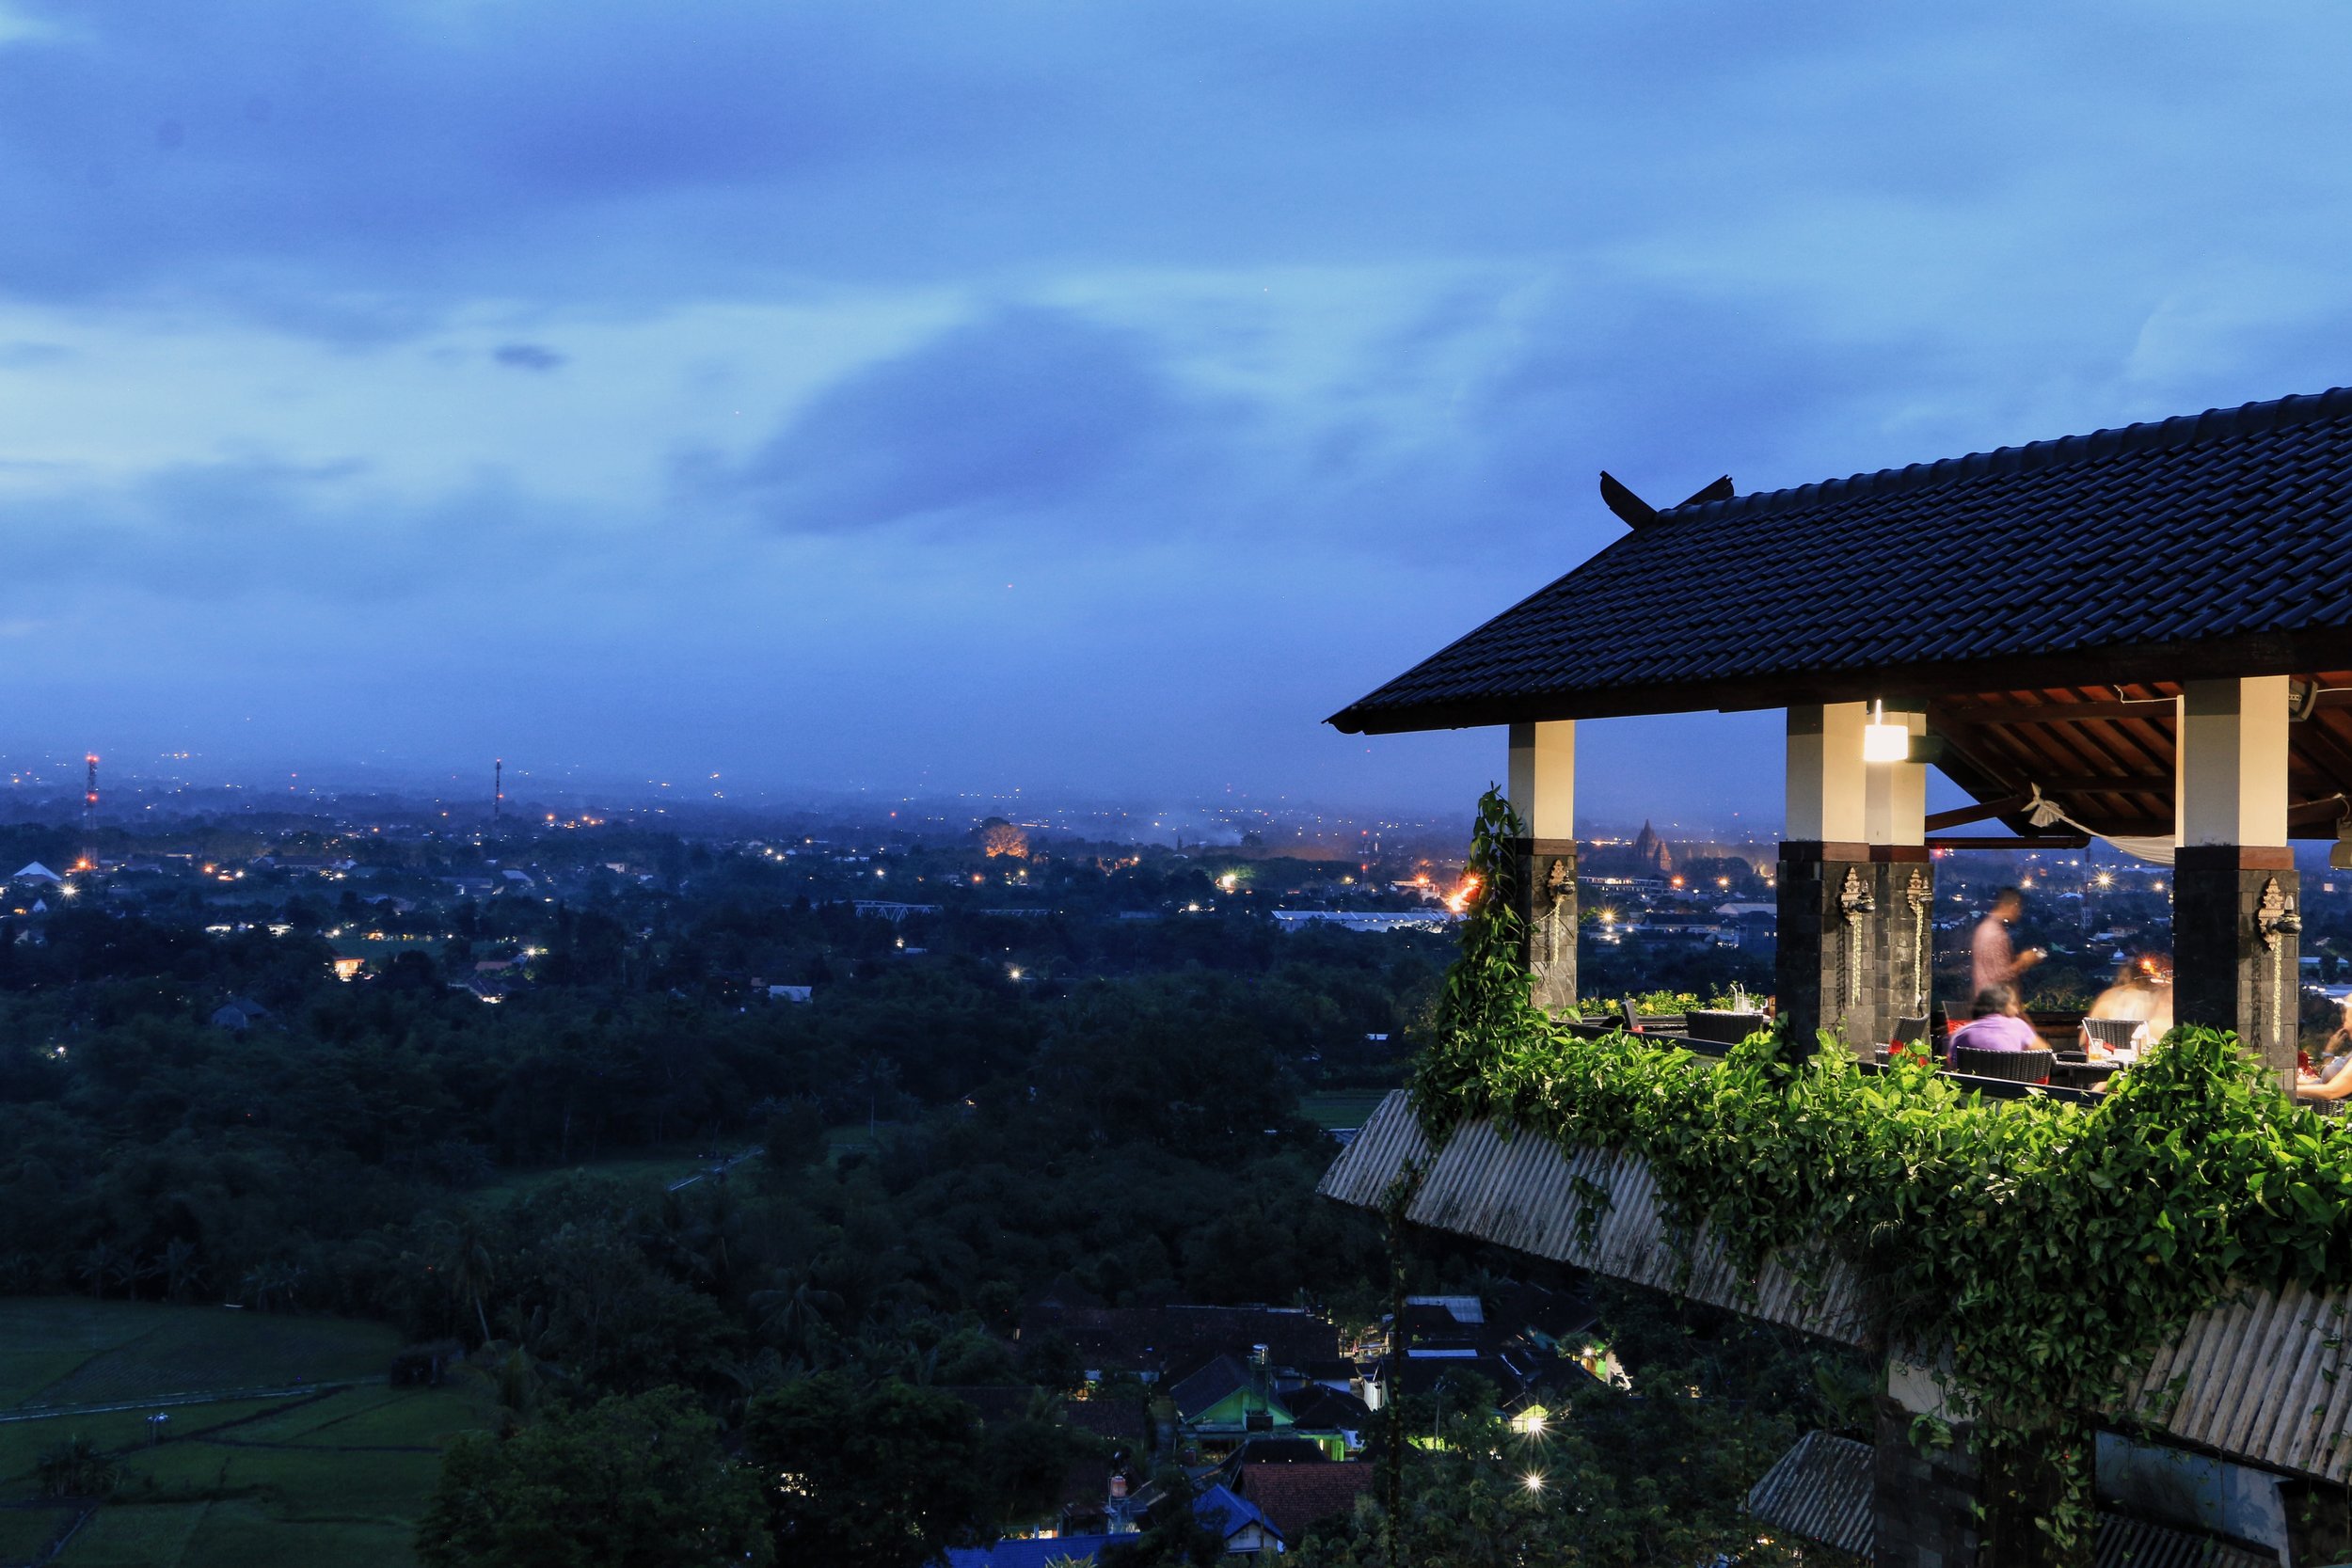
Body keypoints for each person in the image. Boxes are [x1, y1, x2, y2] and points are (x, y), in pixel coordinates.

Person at [1971, 887, 2045, 1000]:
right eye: (2019, 907)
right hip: (1994, 1005)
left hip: (1988, 1004)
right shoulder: (1995, 934)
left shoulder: (1986, 928)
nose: (2020, 912)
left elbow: (1995, 966)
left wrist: (2018, 959)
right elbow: (1999, 976)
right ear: (2013, 905)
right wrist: (2024, 961)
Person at [1949, 984, 2048, 1055]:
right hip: (2011, 1083)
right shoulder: (2018, 1026)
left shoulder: (1961, 1033)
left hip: (1972, 1084)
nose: (2017, 1010)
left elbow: (1952, 1062)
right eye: (2013, 1004)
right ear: (2002, 1006)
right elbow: (2044, 1052)